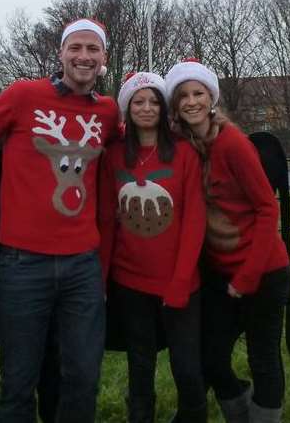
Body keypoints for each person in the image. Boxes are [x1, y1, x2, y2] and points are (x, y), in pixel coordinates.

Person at [0, 18, 120, 423]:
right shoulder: (24, 95)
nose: (84, 56)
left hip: (83, 267)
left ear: (104, 58)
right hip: (24, 266)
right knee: (18, 380)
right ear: (61, 53)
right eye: (76, 48)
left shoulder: (108, 112)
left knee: (83, 377)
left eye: (93, 49)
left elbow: (138, 138)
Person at [164, 59, 290, 423]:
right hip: (221, 276)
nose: (191, 102)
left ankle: (264, 417)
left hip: (262, 271)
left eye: (198, 93)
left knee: (263, 358)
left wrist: (247, 277)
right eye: (183, 96)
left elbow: (268, 209)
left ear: (211, 98)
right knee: (212, 357)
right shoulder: (187, 146)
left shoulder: (232, 143)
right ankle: (239, 411)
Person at [98, 72, 207, 423]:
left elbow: (193, 221)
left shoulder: (184, 153)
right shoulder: (114, 156)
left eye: (154, 101)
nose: (147, 108)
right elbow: (106, 220)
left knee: (187, 366)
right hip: (130, 281)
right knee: (139, 365)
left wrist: (181, 279)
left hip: (178, 281)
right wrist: (101, 280)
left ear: (164, 108)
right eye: (138, 101)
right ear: (127, 109)